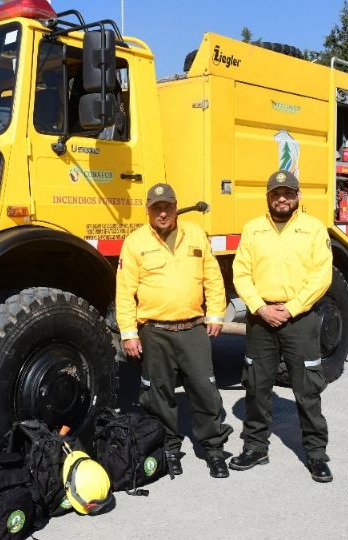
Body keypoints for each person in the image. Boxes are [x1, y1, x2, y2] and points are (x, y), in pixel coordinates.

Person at [115, 183, 233, 478]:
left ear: (175, 205)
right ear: (148, 211)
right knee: (159, 394)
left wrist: (216, 314)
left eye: (167, 206)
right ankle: (169, 448)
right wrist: (129, 333)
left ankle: (214, 450)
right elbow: (124, 292)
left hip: (193, 328)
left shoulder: (194, 234)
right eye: (157, 208)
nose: (163, 212)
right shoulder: (134, 242)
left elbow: (213, 277)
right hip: (154, 332)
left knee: (205, 390)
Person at [230, 170, 334, 483]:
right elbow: (241, 273)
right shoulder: (253, 230)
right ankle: (255, 447)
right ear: (268, 197)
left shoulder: (313, 229)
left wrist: (289, 309)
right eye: (276, 194)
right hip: (260, 320)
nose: (282, 199)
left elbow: (322, 276)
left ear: (298, 196)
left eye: (288, 193)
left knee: (307, 389)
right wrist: (261, 308)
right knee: (256, 386)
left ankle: (316, 453)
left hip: (299, 320)